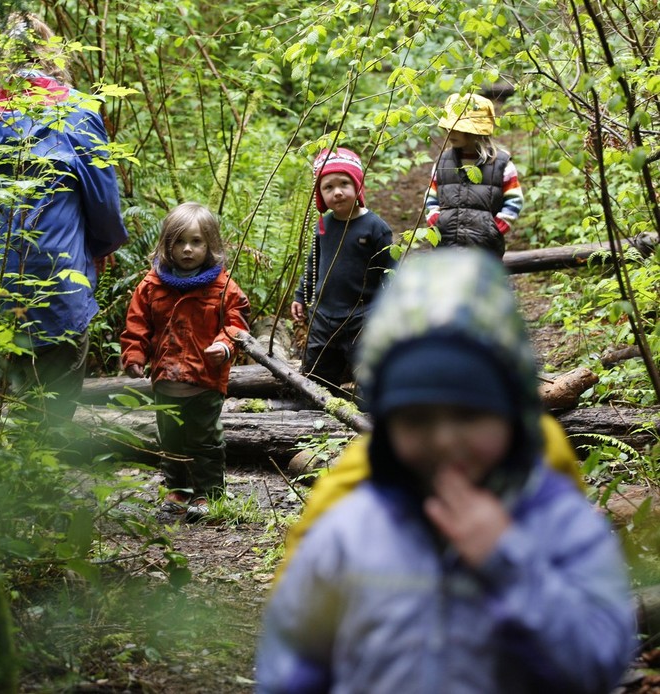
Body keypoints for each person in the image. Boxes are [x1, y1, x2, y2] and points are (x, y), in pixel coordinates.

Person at [256, 248, 635, 694]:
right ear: (385, 426)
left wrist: (508, 562)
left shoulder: (555, 521)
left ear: (513, 415)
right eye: (417, 420)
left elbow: (600, 661)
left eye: (470, 415)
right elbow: (293, 660)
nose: (444, 440)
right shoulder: (350, 529)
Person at [0, 13, 128, 427]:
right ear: (52, 52)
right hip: (60, 269)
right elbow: (103, 199)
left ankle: (17, 472)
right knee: (59, 378)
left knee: (9, 388)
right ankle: (48, 464)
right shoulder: (77, 109)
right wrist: (103, 246)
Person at [120, 203, 250, 520]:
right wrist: (134, 353)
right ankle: (178, 489)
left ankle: (208, 494)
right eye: (179, 242)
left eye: (196, 241)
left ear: (210, 245)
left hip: (205, 380)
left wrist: (225, 345)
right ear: (167, 245)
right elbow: (137, 324)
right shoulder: (151, 286)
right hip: (166, 379)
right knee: (171, 439)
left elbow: (236, 324)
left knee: (205, 441)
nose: (187, 249)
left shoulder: (223, 288)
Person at [291, 147, 394, 402]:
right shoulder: (323, 225)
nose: (337, 192)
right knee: (318, 374)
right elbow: (314, 264)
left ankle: (368, 417)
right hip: (323, 316)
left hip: (362, 316)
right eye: (328, 187)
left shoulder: (375, 227)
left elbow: (391, 271)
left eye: (344, 184)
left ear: (357, 185)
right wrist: (301, 295)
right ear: (320, 194)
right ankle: (314, 420)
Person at [424, 92, 524, 257]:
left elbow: (514, 199)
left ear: (475, 132)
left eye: (457, 128)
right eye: (449, 127)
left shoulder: (501, 163)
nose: (450, 133)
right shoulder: (443, 162)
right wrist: (436, 222)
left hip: (484, 247)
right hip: (446, 245)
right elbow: (431, 197)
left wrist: (495, 228)